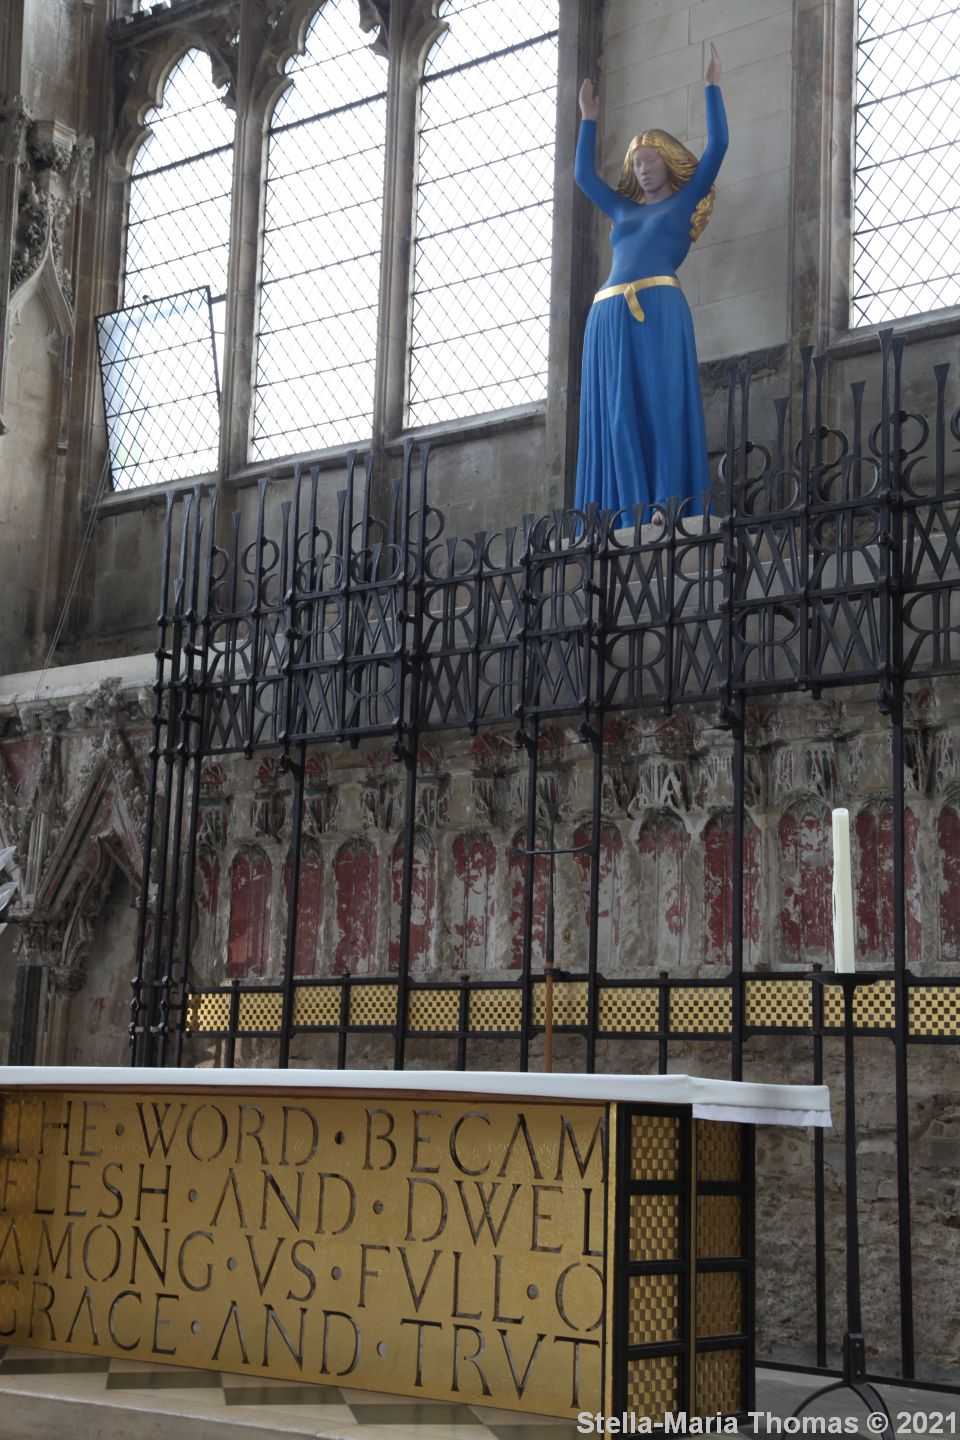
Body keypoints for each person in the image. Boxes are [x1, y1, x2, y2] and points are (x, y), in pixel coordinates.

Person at [574, 43, 727, 517]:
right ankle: (627, 511)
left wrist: (712, 87)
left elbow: (718, 147)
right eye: (636, 162)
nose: (642, 168)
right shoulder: (623, 209)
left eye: (650, 159)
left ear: (667, 161)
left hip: (658, 306)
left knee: (664, 405)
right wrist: (588, 118)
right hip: (608, 314)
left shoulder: (683, 202)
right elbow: (583, 176)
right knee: (617, 414)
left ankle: (665, 503)